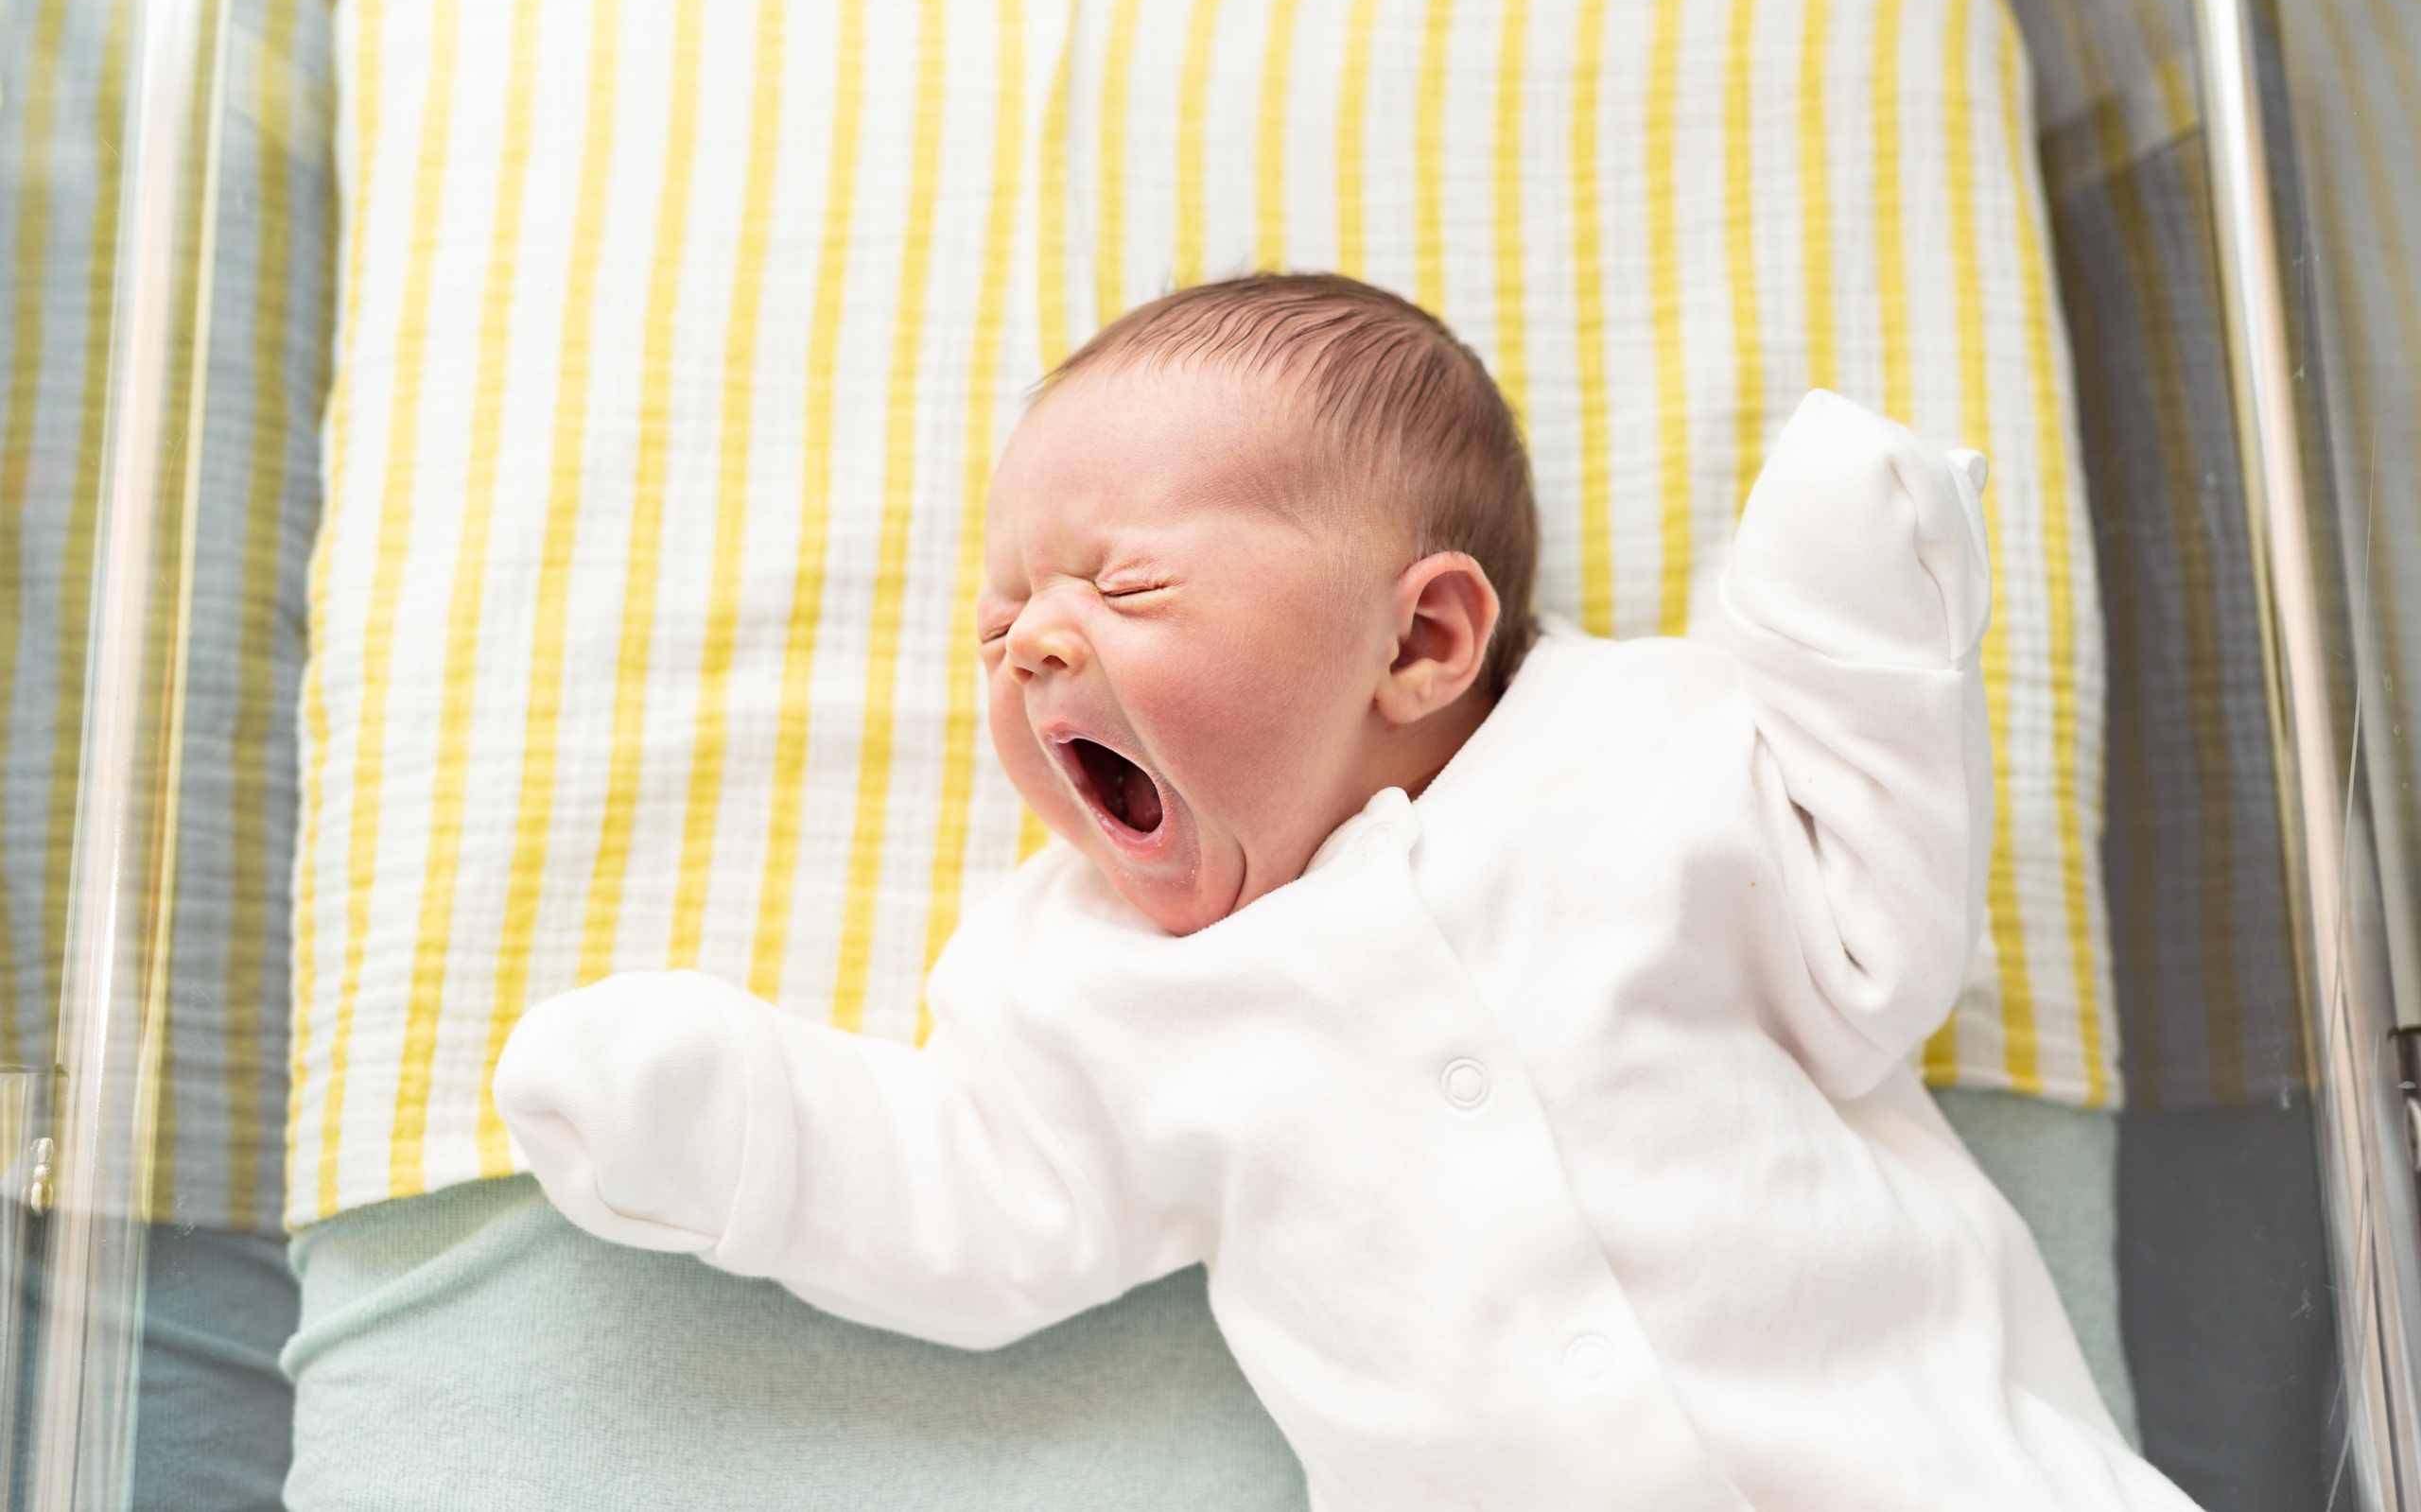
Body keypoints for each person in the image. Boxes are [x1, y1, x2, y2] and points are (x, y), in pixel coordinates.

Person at [493, 274, 2198, 1512]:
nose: (1031, 639)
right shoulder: (1079, 973)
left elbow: (1876, 956)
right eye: (1002, 621)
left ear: (1423, 638)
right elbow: (986, 1200)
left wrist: (1843, 636)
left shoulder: (1641, 748)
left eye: (1128, 581)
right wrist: (744, 1127)